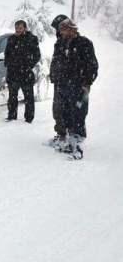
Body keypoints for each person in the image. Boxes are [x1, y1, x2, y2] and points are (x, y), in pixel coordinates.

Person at [54, 18, 98, 158]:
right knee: (64, 111)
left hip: (79, 85)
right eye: (61, 30)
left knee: (79, 112)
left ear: (72, 29)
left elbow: (92, 65)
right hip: (63, 84)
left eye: (64, 30)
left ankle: (77, 143)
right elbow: (56, 61)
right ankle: (68, 138)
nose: (62, 33)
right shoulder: (60, 43)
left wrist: (87, 82)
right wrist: (55, 76)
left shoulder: (84, 43)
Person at [4, 19, 40, 123]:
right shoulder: (11, 39)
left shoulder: (32, 39)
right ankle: (12, 116)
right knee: (12, 97)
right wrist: (8, 64)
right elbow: (7, 53)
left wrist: (28, 66)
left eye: (20, 28)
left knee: (28, 98)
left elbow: (37, 55)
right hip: (13, 73)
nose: (18, 30)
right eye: (16, 28)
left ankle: (29, 118)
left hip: (26, 73)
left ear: (25, 28)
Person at [48, 14, 69, 146]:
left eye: (58, 28)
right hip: (59, 81)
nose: (57, 31)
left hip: (69, 83)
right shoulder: (60, 42)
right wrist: (53, 74)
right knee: (57, 109)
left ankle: (69, 137)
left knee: (67, 109)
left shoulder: (71, 42)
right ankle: (61, 133)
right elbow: (56, 61)